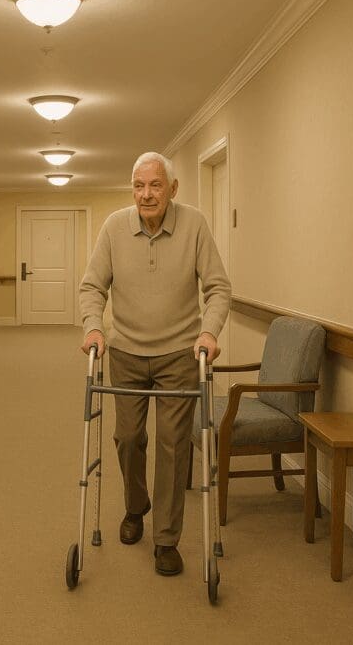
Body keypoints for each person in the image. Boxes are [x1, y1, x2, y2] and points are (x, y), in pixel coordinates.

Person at [79, 151, 230, 576]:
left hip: (179, 355)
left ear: (172, 189)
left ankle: (166, 538)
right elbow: (92, 286)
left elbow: (218, 288)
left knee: (172, 444)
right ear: (132, 189)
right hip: (125, 351)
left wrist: (209, 332)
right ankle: (135, 505)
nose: (147, 194)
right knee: (128, 438)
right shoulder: (114, 227)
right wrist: (93, 327)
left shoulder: (195, 225)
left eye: (156, 185)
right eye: (139, 186)